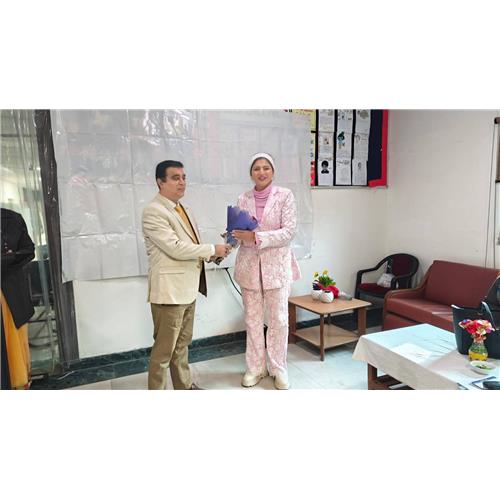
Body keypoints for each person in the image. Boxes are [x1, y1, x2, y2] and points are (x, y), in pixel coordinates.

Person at [142, 160, 230, 390]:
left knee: (182, 345)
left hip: (188, 288)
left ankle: (184, 386)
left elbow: (192, 246)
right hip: (170, 292)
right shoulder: (154, 211)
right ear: (160, 182)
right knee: (164, 351)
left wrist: (215, 255)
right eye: (175, 178)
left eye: (183, 177)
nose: (182, 182)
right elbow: (175, 248)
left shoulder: (184, 209)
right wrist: (211, 249)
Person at [232, 153, 301, 390]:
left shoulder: (285, 196)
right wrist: (231, 237)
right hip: (249, 268)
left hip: (277, 268)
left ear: (273, 171)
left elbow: (289, 232)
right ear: (251, 173)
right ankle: (255, 368)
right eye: (256, 168)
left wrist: (256, 237)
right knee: (252, 321)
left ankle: (278, 368)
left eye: (266, 168)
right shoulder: (243, 198)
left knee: (279, 320)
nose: (261, 172)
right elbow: (239, 231)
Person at [1, 208, 35, 390]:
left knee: (15, 345)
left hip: (11, 292)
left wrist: (8, 259)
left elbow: (28, 250)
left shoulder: (11, 219)